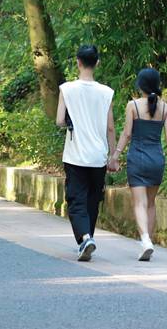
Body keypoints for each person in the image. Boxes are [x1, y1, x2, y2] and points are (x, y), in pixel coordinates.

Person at [108, 67, 167, 261]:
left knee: (139, 203)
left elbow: (127, 134)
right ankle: (147, 242)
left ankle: (146, 241)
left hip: (137, 159)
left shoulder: (132, 105)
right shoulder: (166, 108)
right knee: (151, 203)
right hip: (157, 159)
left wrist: (115, 155)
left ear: (140, 86)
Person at [55, 45, 116, 262]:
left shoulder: (67, 89)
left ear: (78, 62)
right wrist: (114, 155)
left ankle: (85, 238)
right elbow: (110, 127)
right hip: (98, 155)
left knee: (76, 199)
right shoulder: (107, 92)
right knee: (92, 198)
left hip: (75, 155)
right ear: (97, 63)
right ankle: (86, 239)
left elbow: (60, 121)